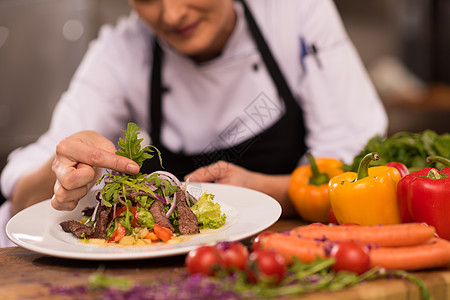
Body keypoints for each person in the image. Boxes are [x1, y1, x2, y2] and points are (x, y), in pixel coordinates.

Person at [0, 0, 387, 247]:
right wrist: (62, 171)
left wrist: (274, 191)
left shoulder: (295, 12)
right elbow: (23, 198)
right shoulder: (122, 50)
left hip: (294, 249)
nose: (172, 14)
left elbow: (357, 169)